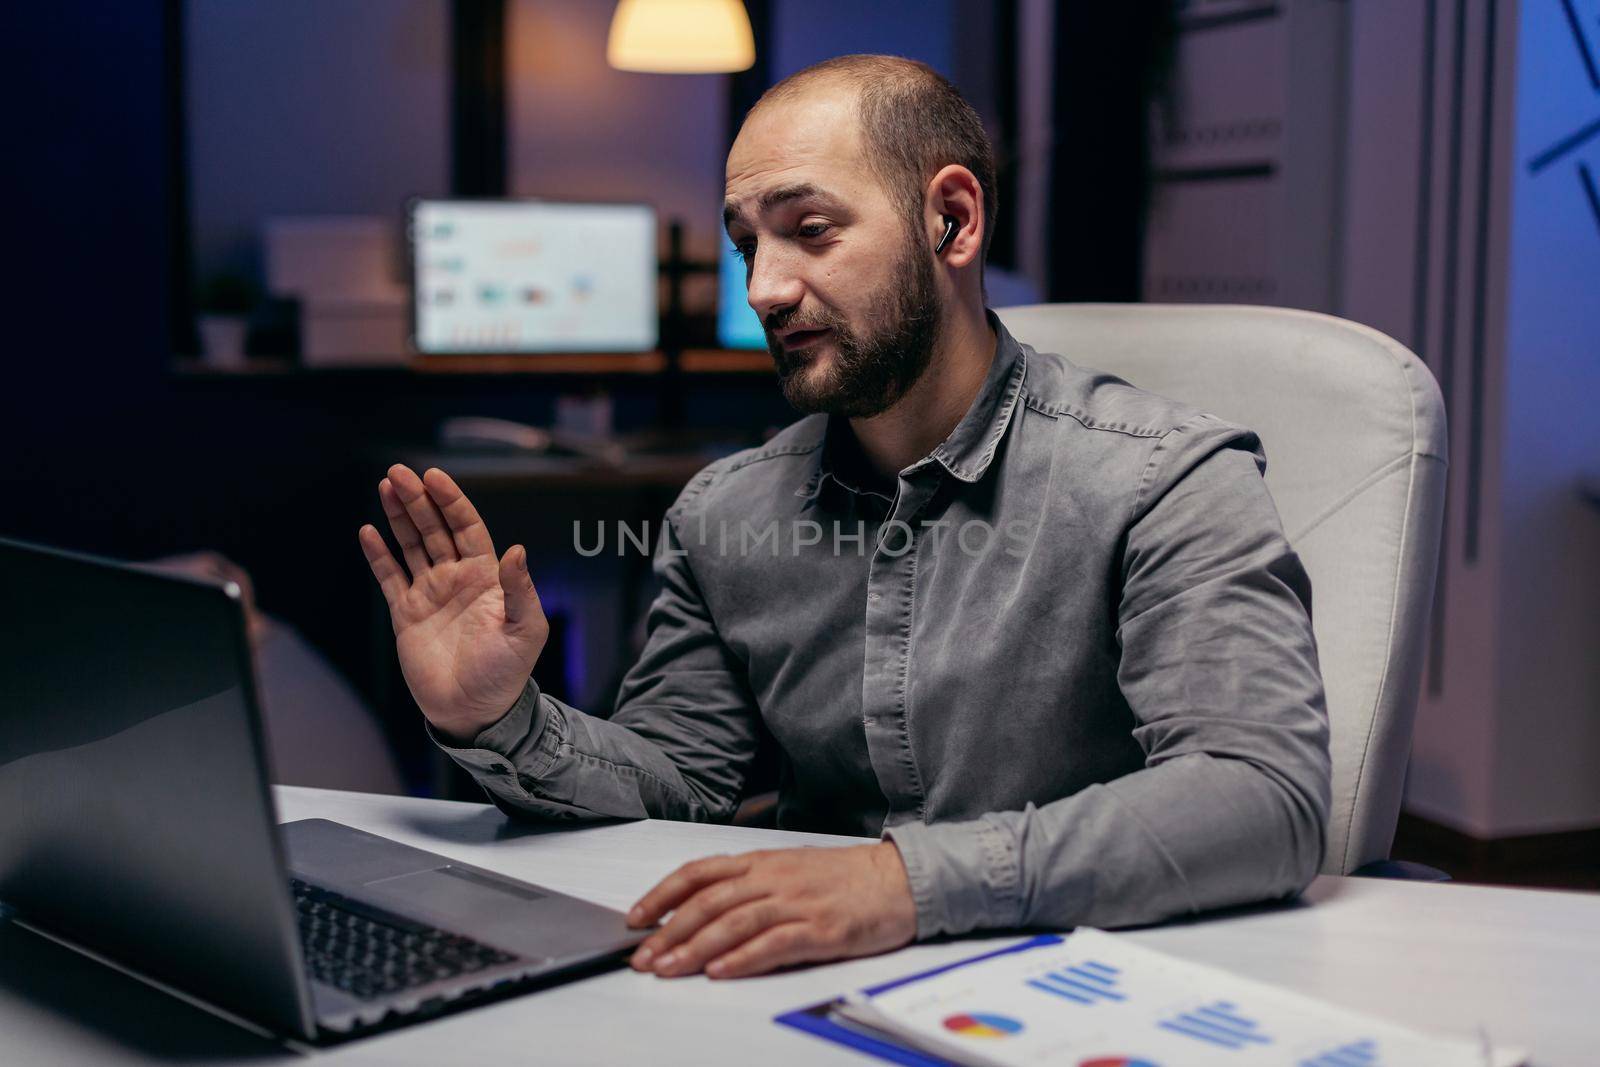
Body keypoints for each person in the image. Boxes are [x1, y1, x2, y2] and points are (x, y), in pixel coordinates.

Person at [358, 55, 1330, 982]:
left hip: (1086, 987)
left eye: (809, 229)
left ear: (952, 219)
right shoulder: (722, 511)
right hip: (794, 988)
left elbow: (1258, 795)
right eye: (747, 243)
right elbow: (678, 784)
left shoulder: (1165, 475)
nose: (763, 289)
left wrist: (899, 880)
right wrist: (498, 716)